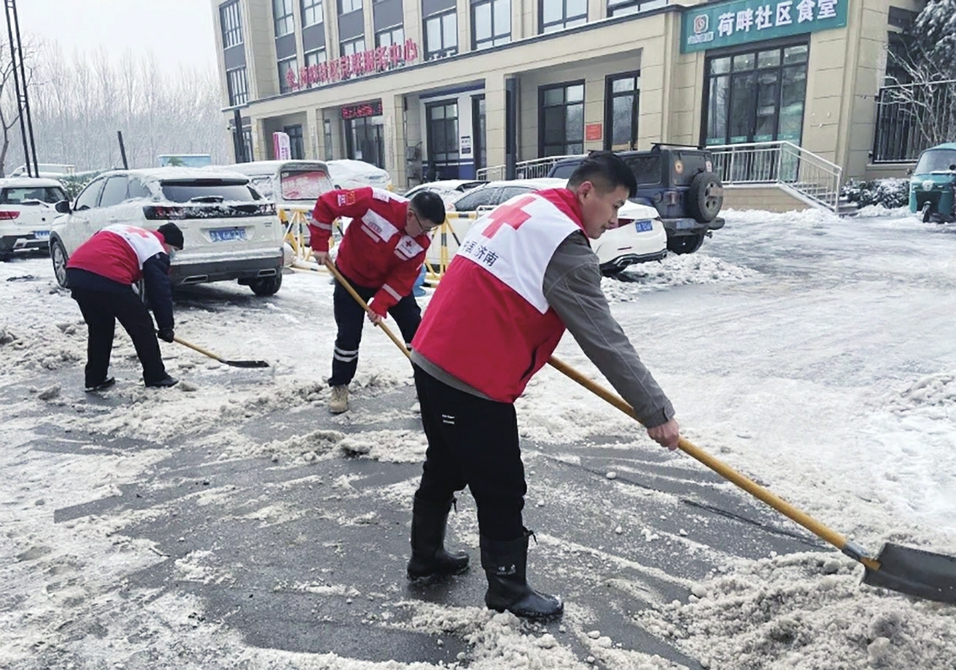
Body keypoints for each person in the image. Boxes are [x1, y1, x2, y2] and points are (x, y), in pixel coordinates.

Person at [405, 152, 681, 619]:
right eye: (614, 207)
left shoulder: (533, 206)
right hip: (470, 374)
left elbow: (504, 285)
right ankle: (508, 589)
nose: (615, 220)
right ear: (586, 191)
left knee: (446, 463)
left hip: (432, 352)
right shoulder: (565, 247)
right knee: (502, 485)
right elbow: (605, 339)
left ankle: (426, 555)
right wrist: (655, 411)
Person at [309, 187, 447, 414]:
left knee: (415, 328)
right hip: (351, 275)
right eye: (425, 227)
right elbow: (326, 203)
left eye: (431, 229)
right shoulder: (373, 201)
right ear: (411, 215)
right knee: (348, 334)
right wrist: (319, 244)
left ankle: (427, 386)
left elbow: (403, 279)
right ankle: (340, 385)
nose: (426, 233)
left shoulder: (421, 240)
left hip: (386, 281)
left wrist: (380, 305)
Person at [66, 223, 183, 391]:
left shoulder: (124, 229)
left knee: (100, 327)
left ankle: (95, 378)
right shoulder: (155, 247)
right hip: (108, 274)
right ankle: (156, 376)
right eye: (174, 250)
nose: (171, 255)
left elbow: (98, 244)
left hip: (76, 271)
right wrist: (166, 326)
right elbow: (159, 291)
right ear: (168, 243)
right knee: (142, 326)